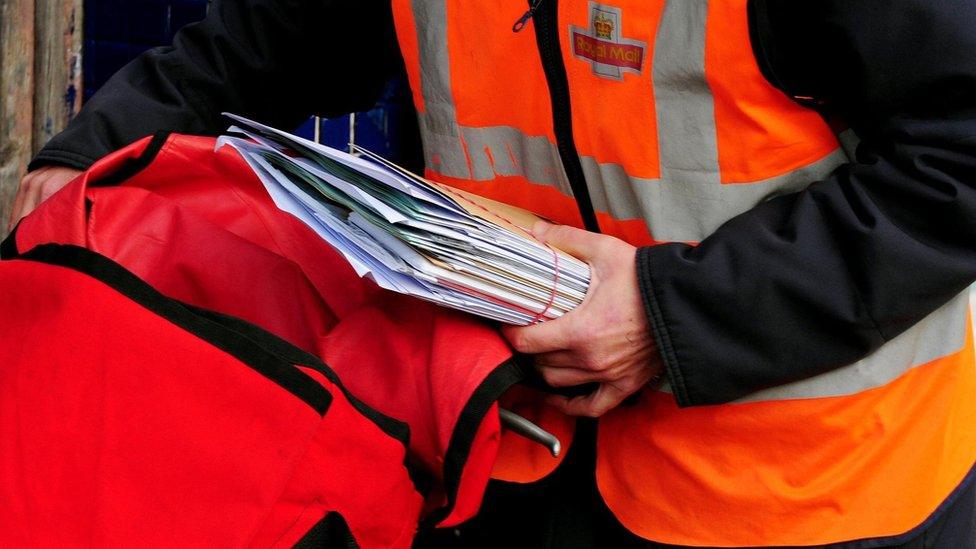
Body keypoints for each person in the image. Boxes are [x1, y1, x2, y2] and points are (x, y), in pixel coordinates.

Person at [11, 0, 976, 547]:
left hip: (812, 497)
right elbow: (272, 38)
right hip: (522, 457)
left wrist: (667, 312)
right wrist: (91, 147)